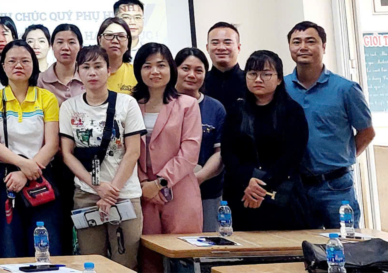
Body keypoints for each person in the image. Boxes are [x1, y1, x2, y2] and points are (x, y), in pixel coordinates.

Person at [59, 45, 145, 270]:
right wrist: (98, 187)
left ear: (109, 71)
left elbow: (133, 152)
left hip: (124, 194)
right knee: (91, 263)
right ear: (78, 72)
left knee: (125, 263)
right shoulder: (69, 107)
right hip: (86, 194)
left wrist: (111, 191)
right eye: (86, 67)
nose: (92, 72)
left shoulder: (127, 103)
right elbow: (67, 154)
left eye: (98, 66)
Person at [285, 21, 374, 229]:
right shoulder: (282, 87)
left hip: (337, 186)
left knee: (346, 242)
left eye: (310, 41)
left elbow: (367, 132)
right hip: (296, 186)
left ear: (323, 46)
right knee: (301, 244)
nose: (303, 47)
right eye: (296, 42)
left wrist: (342, 157)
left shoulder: (346, 89)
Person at [0, 41, 63, 258]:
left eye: (25, 60)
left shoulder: (46, 98)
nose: (18, 65)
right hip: (5, 179)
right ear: (3, 66)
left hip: (41, 178)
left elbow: (52, 144)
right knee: (8, 247)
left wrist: (27, 172)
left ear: (34, 65)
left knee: (45, 247)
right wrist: (22, 165)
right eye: (12, 61)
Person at [221, 51, 309, 231]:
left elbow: (293, 156)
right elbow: (228, 153)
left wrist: (261, 187)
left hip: (282, 193)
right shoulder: (236, 110)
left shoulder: (292, 111)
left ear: (279, 79)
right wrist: (247, 182)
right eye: (252, 73)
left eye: (266, 74)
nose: (258, 79)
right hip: (242, 192)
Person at [132, 43, 202, 236]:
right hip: (141, 192)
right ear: (138, 71)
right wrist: (143, 183)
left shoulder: (187, 105)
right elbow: (124, 150)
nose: (154, 71)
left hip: (179, 189)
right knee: (146, 251)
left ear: (171, 68)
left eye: (161, 65)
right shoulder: (130, 105)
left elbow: (189, 153)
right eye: (147, 66)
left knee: (182, 249)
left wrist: (159, 184)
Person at [174, 48, 227, 231]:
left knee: (209, 242)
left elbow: (220, 153)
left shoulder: (215, 108)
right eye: (185, 68)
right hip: (168, 191)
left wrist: (199, 178)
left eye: (198, 70)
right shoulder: (163, 104)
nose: (191, 75)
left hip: (208, 192)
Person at [37, 24, 84, 103]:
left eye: (71, 42)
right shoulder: (40, 81)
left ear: (80, 47)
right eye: (60, 42)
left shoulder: (87, 77)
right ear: (52, 46)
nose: (65, 47)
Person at [203, 22, 246, 108]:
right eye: (215, 43)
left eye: (227, 43)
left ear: (238, 47)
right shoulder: (200, 82)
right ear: (207, 48)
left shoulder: (250, 81)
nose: (221, 48)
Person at [97, 18, 137, 95]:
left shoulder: (136, 73)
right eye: (109, 35)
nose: (115, 41)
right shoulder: (89, 71)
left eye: (121, 36)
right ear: (99, 40)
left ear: (128, 43)